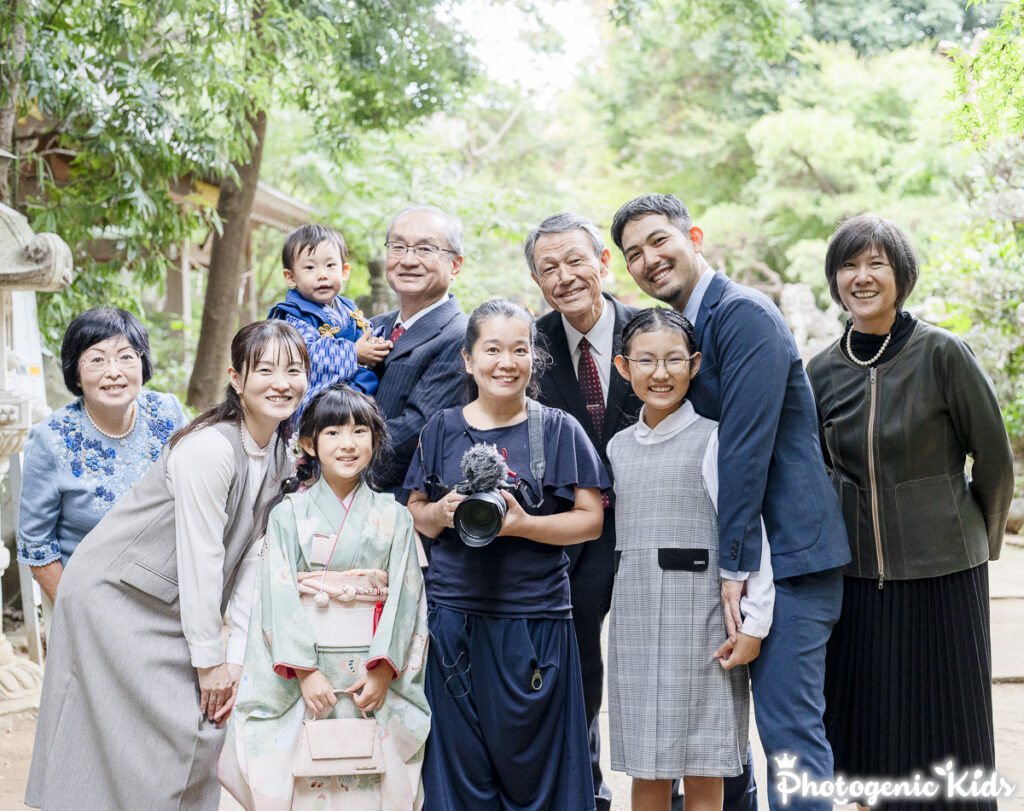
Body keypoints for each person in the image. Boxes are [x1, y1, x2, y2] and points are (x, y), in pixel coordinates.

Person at [611, 194, 850, 811]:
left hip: (788, 556)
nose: (648, 259)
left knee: (788, 737)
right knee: (723, 741)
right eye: (633, 254)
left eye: (658, 241)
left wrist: (735, 569)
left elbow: (745, 450)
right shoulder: (688, 326)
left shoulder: (743, 313)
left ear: (693, 237)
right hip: (743, 561)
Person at [26, 320, 309, 811]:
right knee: (166, 736)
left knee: (200, 733)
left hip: (173, 604)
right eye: (264, 370)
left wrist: (234, 658)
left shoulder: (281, 456)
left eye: (293, 370)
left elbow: (252, 562)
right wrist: (209, 663)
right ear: (236, 379)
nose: (280, 382)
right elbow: (203, 556)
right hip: (115, 598)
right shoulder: (210, 448)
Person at [806, 214, 1014, 808]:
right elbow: (814, 470)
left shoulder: (943, 353)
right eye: (849, 265)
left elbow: (994, 459)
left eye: (877, 263)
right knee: (870, 721)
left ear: (902, 274)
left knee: (948, 717)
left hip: (945, 570)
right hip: (855, 576)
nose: (862, 277)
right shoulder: (821, 370)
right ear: (835, 279)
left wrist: (974, 539)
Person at [403, 298, 608, 810]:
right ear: (468, 359)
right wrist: (441, 512)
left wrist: (522, 525)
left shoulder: (558, 428)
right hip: (453, 620)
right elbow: (414, 511)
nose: (506, 362)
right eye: (492, 349)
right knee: (460, 770)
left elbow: (591, 520)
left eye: (519, 350)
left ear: (534, 359)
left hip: (535, 619)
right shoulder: (440, 428)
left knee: (538, 773)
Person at [220, 383, 430, 810]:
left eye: (359, 432)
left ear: (376, 439)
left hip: (371, 668)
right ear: (308, 443)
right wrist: (304, 672)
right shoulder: (287, 514)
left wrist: (383, 670)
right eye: (333, 432)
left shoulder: (395, 516)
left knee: (371, 778)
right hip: (304, 671)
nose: (347, 444)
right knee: (305, 779)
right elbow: (276, 596)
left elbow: (407, 599)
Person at [607, 308, 774, 811]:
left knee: (704, 761)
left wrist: (755, 622)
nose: (660, 373)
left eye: (673, 359)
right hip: (636, 620)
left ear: (695, 364)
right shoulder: (616, 448)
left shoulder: (716, 438)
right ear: (623, 367)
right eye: (646, 360)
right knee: (647, 763)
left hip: (704, 621)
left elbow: (750, 531)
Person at [525, 211, 643, 811]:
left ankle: (675, 789)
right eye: (549, 268)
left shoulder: (650, 330)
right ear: (537, 281)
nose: (565, 276)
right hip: (575, 529)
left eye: (576, 260)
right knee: (578, 661)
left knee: (660, 657)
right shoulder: (531, 343)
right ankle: (586, 790)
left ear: (603, 262)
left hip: (653, 526)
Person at [17, 308, 187, 607]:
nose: (114, 371)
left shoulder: (168, 413)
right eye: (97, 360)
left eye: (126, 356)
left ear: (142, 363)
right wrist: (74, 611)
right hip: (87, 597)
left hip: (167, 592)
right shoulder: (50, 439)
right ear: (76, 374)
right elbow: (36, 542)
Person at [370, 204, 469, 496]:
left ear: (455, 265)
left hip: (399, 501)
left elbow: (418, 429)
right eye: (398, 247)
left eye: (425, 249)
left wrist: (335, 463)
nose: (409, 260)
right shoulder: (372, 326)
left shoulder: (462, 335)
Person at [268, 223, 389, 416]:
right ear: (290, 277)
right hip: (317, 408)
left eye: (330, 265)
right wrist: (354, 353)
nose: (322, 275)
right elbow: (305, 357)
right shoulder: (291, 317)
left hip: (355, 400)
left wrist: (376, 343)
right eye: (310, 267)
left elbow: (365, 331)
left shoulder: (347, 307)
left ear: (344, 271)